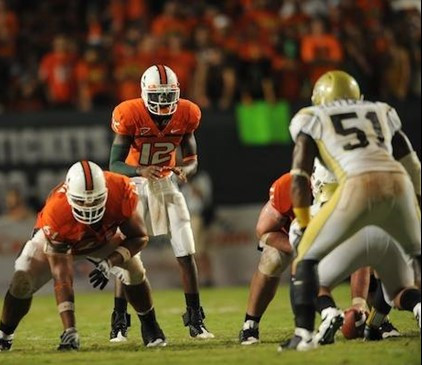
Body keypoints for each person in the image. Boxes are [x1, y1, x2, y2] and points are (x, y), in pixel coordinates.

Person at [281, 70, 421, 351]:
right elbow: (412, 164)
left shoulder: (312, 117)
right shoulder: (380, 110)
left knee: (305, 259)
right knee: (413, 261)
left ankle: (304, 334)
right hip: (399, 182)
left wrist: (305, 221)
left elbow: (299, 176)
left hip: (358, 183)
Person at [0, 161, 166, 352]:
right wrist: (69, 328)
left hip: (103, 238)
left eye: (95, 200)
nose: (89, 206)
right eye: (82, 201)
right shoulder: (56, 211)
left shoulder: (120, 188)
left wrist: (109, 262)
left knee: (134, 270)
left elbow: (139, 237)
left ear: (105, 192)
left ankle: (150, 326)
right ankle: (3, 337)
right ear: (69, 195)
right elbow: (62, 277)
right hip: (64, 240)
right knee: (22, 280)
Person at [108, 64, 213, 341]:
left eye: (169, 95)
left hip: (166, 183)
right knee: (129, 253)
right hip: (135, 186)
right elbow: (114, 164)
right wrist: (140, 170)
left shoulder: (187, 113)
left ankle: (195, 319)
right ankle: (119, 320)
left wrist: (184, 171)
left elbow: (192, 161)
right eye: (160, 95)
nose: (165, 102)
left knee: (186, 248)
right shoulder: (130, 114)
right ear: (145, 93)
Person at [238, 163, 372, 346]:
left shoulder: (355, 196)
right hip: (294, 238)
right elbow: (263, 231)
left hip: (331, 234)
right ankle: (251, 324)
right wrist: (300, 249)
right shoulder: (289, 186)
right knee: (274, 260)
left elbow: (362, 253)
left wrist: (359, 302)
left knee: (368, 251)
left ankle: (373, 319)